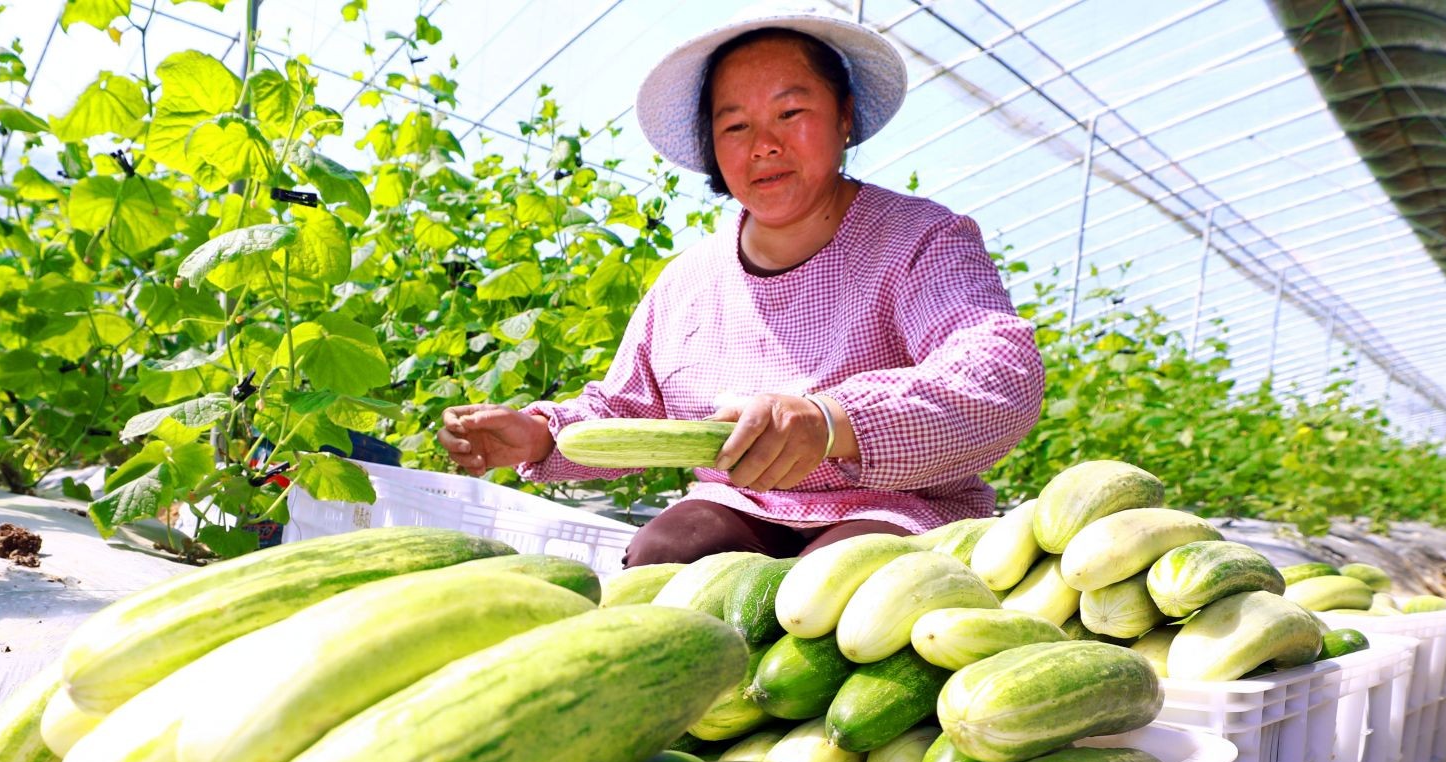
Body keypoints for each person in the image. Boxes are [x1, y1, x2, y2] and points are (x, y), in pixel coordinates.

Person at [439, 6, 1045, 565]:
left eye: (790, 113)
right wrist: (539, 434)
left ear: (845, 116)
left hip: (899, 512)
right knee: (668, 549)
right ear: (712, 147)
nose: (764, 146)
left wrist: (831, 422)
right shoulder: (687, 282)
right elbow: (626, 409)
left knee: (845, 582)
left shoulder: (921, 238)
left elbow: (996, 372)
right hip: (742, 507)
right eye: (735, 127)